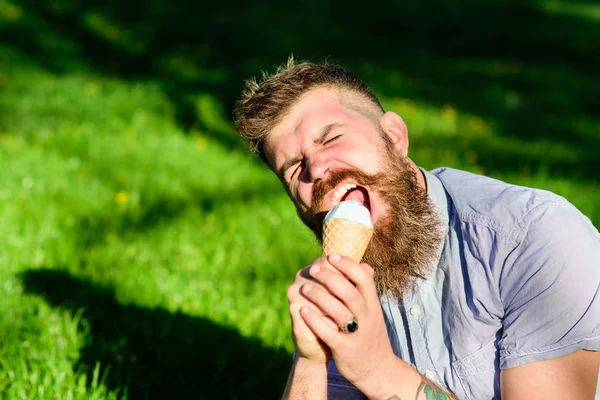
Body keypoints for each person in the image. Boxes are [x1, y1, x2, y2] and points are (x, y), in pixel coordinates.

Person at [233, 57, 600, 399]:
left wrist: (377, 371)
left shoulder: (533, 239)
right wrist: (311, 359)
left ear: (394, 136)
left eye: (330, 138)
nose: (316, 169)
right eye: (294, 168)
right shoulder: (344, 287)